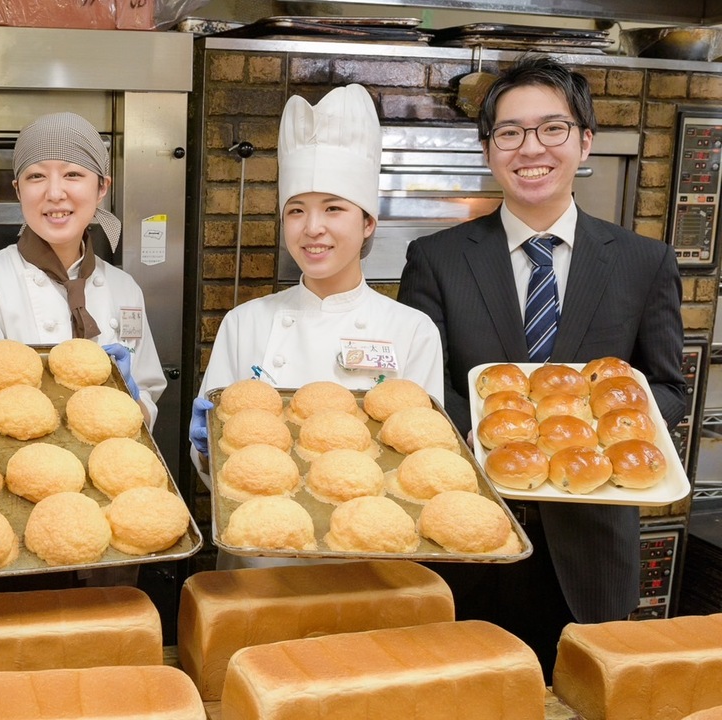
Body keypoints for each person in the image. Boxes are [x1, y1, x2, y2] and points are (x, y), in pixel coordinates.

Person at [397, 55, 686, 678]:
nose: (532, 148)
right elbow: (418, 387)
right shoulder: (437, 259)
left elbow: (664, 386)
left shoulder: (643, 262)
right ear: (488, 149)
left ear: (585, 140)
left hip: (592, 546)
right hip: (470, 538)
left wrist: (608, 434)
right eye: (510, 132)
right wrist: (465, 430)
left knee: (588, 698)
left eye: (552, 129)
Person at [189, 84, 444, 569]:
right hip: (258, 559)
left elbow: (424, 463)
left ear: (368, 221)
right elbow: (221, 474)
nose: (312, 228)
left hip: (370, 563)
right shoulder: (245, 322)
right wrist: (204, 451)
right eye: (296, 210)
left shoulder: (412, 330)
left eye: (333, 208)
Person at [0, 112, 166, 426]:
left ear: (102, 187)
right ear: (19, 190)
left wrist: (132, 397)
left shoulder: (125, 288)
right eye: (36, 176)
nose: (54, 192)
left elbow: (146, 402)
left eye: (73, 174)